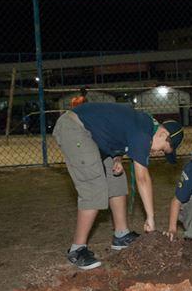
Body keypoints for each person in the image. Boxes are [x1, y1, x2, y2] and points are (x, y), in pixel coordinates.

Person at [53, 104, 183, 270]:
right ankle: (77, 250)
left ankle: (121, 235)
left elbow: (118, 132)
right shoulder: (143, 133)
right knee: (94, 187)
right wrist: (150, 217)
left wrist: (117, 158)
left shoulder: (146, 126)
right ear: (163, 134)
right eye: (163, 150)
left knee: (117, 177)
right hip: (75, 128)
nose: (158, 153)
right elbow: (142, 178)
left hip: (94, 135)